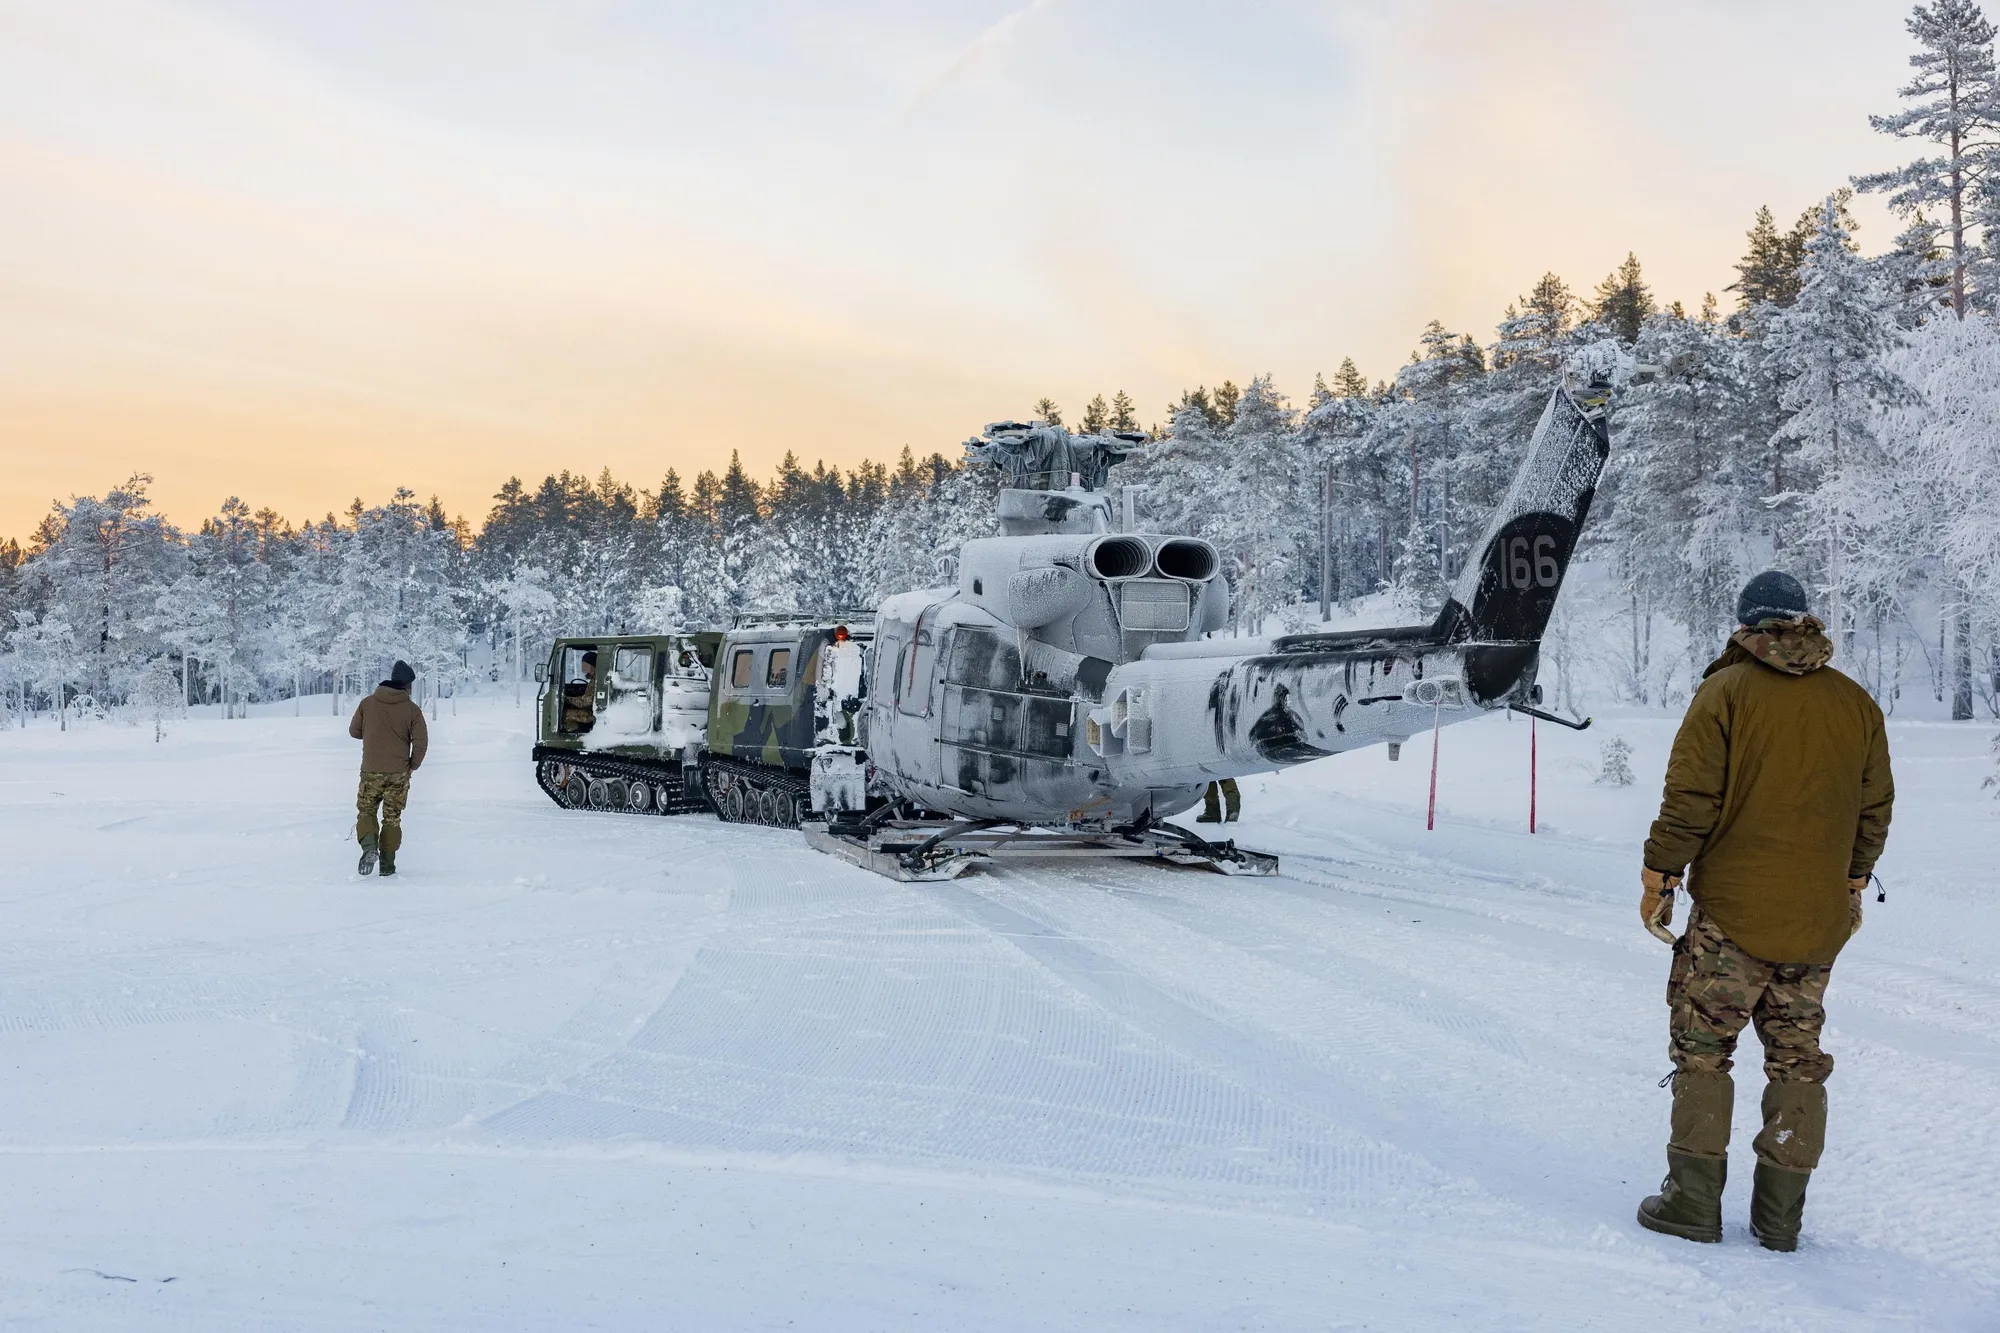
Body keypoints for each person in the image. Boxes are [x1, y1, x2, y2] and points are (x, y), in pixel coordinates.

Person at [1635, 571, 1893, 1251]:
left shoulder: (1725, 693)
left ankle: (1691, 1202)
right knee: (1798, 1059)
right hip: (1815, 923)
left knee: (1703, 1050)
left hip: (1730, 918)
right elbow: (1874, 809)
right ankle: (1780, 1220)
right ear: (1801, 622)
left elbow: (1690, 798)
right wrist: (1854, 880)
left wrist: (1659, 874)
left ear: (1748, 625)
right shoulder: (1856, 705)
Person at [349, 659, 429, 877]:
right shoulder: (412, 710)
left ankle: (368, 848)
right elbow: (421, 742)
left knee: (366, 811)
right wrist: (412, 765)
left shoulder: (367, 703)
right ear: (407, 685)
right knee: (392, 817)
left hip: (370, 771)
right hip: (399, 774)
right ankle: (387, 866)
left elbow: (354, 731)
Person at [561, 650, 598, 732]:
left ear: (593, 666)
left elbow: (585, 702)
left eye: (585, 666)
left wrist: (566, 699)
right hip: (591, 711)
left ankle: (577, 734)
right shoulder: (594, 679)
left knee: (566, 714)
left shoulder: (597, 680)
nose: (583, 669)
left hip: (593, 715)